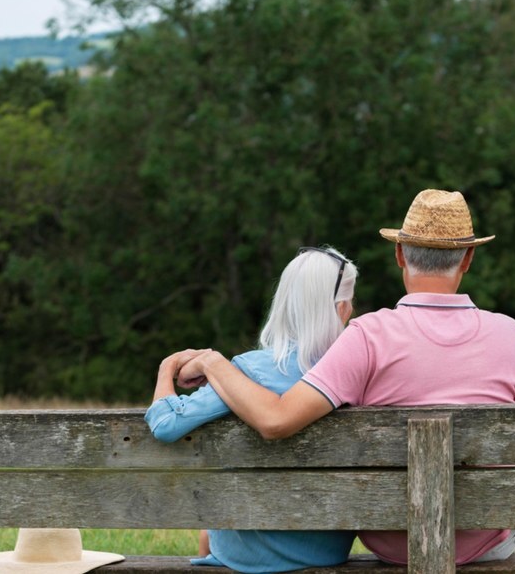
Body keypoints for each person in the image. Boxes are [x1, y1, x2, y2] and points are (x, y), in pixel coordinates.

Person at [164, 188, 515, 566]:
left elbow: (276, 421)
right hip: (483, 536)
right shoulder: (511, 334)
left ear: (399, 254)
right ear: (468, 259)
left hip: (393, 539)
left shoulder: (367, 336)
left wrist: (215, 364)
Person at [147, 246, 360, 573]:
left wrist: (167, 368)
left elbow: (164, 424)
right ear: (342, 308)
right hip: (326, 550)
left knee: (210, 533)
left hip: (247, 556)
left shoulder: (246, 373)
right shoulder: (355, 376)